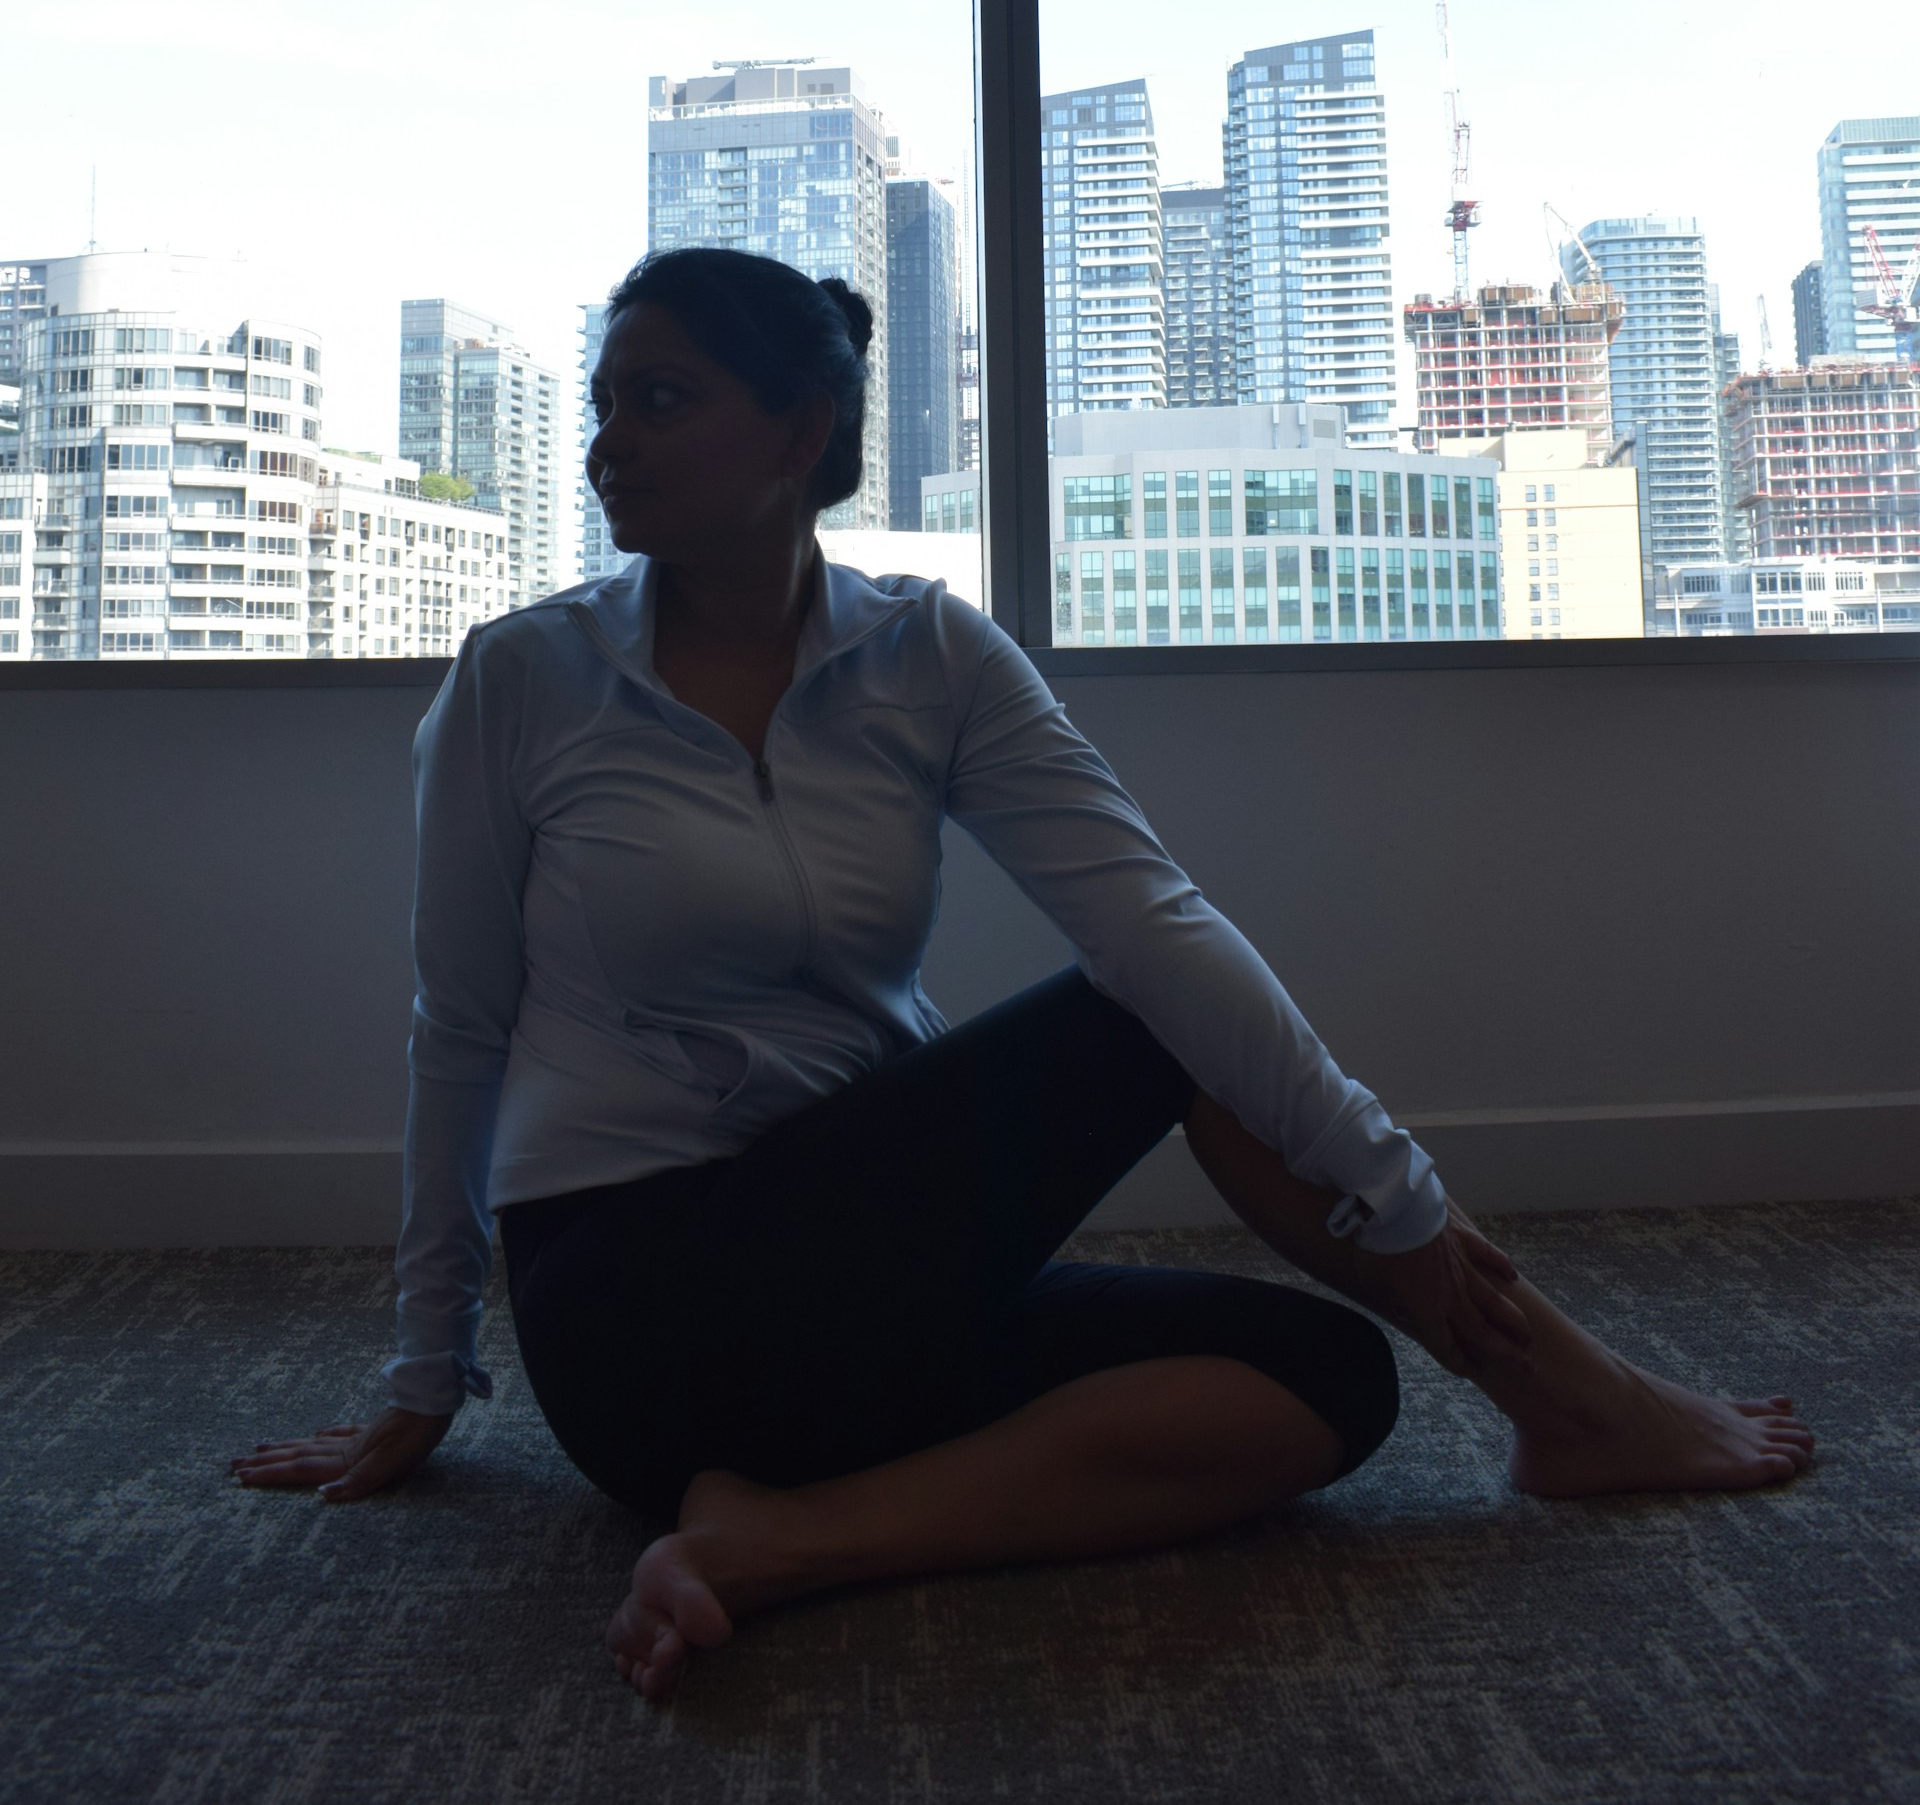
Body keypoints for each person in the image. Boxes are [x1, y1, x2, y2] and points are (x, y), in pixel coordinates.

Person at [234, 248, 1813, 1702]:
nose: (606, 447)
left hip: (871, 1273)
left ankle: (779, 1540)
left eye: (660, 401)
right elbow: (462, 1030)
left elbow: (1149, 913)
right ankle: (1567, 1390)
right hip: (638, 1304)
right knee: (1148, 1020)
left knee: (1324, 1382)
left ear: (802, 434)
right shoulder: (526, 678)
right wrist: (425, 1370)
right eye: (604, 406)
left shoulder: (932, 658)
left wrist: (1389, 1192)